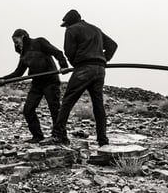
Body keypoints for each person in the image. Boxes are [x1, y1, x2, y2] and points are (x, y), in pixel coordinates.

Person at [43, 10, 117, 147]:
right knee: (98, 105)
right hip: (100, 70)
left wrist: (75, 64)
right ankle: (103, 140)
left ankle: (57, 135)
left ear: (69, 22)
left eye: (65, 25)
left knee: (67, 101)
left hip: (84, 68)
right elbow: (113, 45)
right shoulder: (96, 29)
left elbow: (69, 51)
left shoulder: (72, 29)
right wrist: (103, 60)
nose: (65, 27)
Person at [0, 29, 69, 143]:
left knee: (55, 109)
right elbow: (18, 73)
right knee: (28, 109)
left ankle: (61, 137)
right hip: (37, 83)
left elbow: (57, 53)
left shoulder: (39, 42)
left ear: (22, 37)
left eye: (16, 40)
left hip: (50, 81)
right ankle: (37, 136)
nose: (15, 44)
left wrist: (64, 65)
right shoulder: (23, 55)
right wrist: (3, 79)